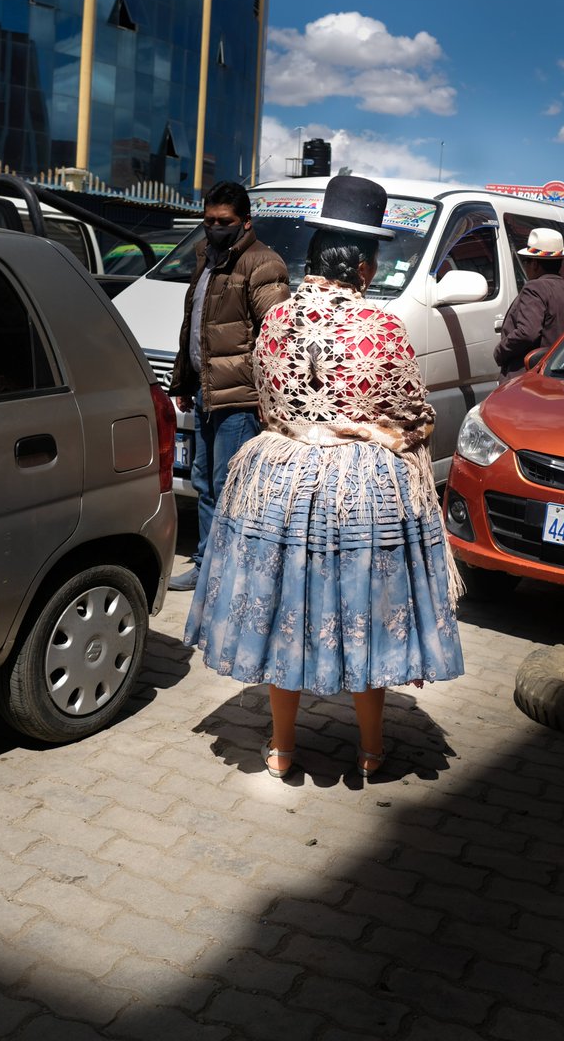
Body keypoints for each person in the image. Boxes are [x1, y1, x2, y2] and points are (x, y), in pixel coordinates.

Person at [185, 175, 464, 779]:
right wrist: (378, 433)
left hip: (279, 482)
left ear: (314, 254)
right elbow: (414, 417)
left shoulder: (278, 321)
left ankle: (282, 749)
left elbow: (268, 402)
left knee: (288, 609)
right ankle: (370, 750)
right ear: (364, 268)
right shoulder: (384, 329)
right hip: (361, 493)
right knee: (363, 609)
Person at [168, 181, 290, 591]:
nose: (215, 227)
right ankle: (207, 563)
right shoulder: (204, 256)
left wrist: (268, 396)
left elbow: (277, 335)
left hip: (240, 398)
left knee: (231, 486)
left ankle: (232, 573)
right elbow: (195, 324)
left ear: (246, 222)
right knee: (203, 482)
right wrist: (184, 378)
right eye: (209, 220)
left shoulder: (263, 264)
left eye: (225, 221)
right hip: (206, 391)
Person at [494, 227, 564, 380]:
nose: (526, 266)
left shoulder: (535, 288)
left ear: (534, 263)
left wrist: (500, 351)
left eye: (526, 261)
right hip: (557, 377)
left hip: (527, 378)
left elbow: (527, 333)